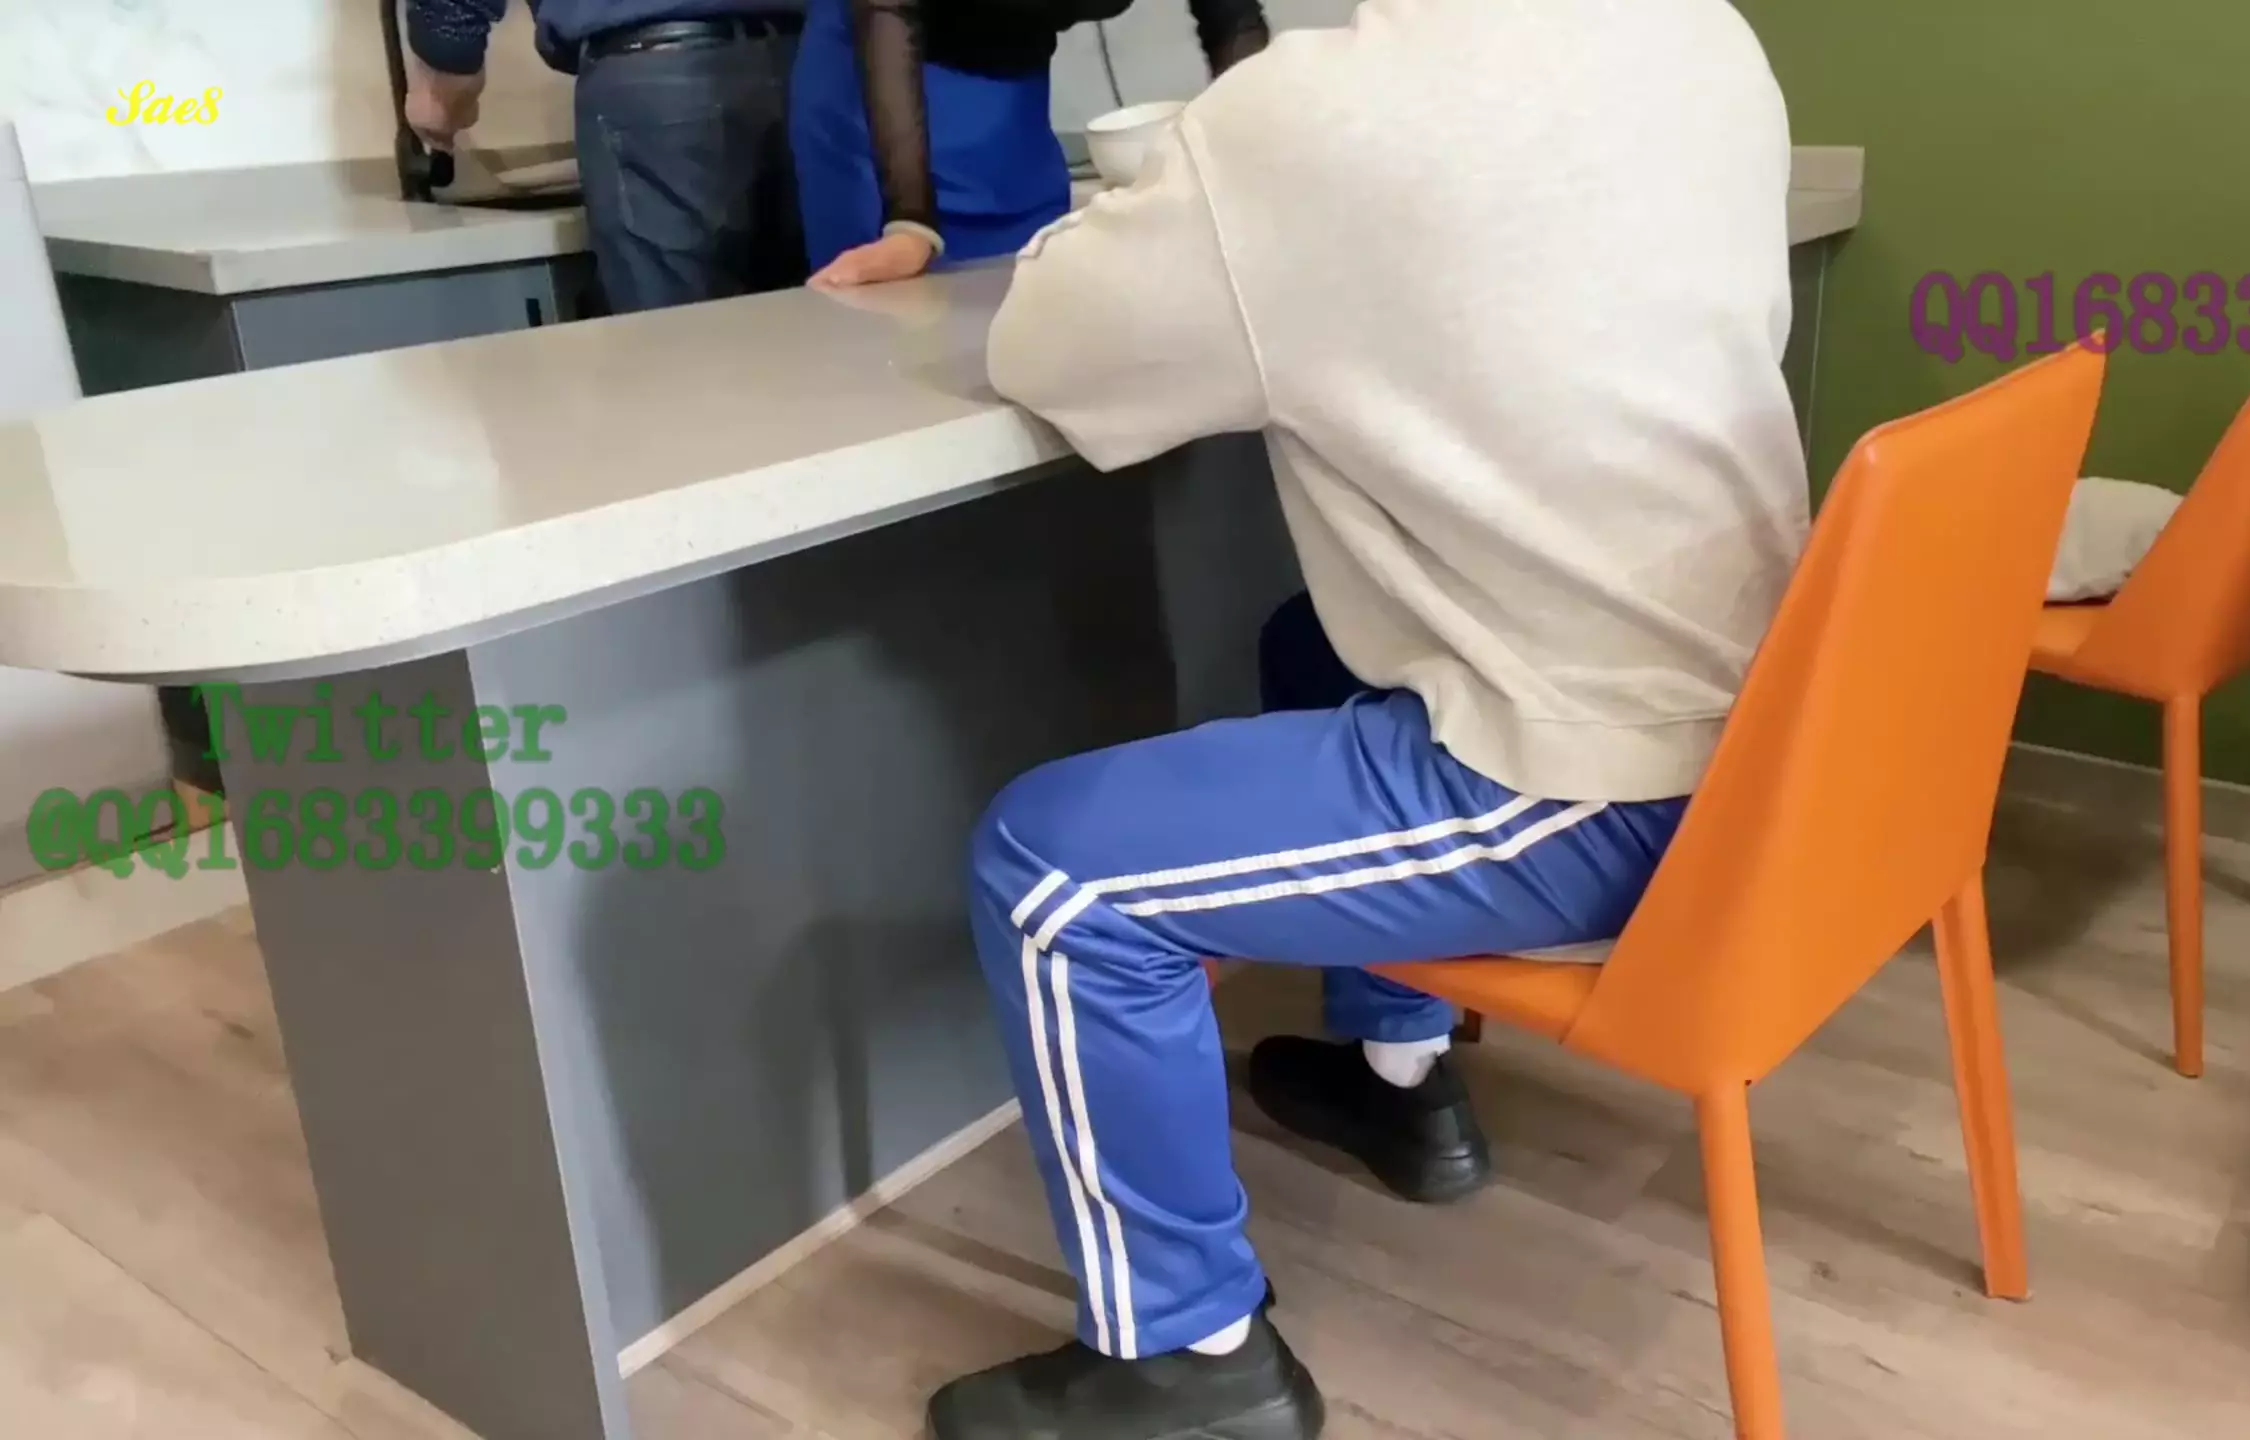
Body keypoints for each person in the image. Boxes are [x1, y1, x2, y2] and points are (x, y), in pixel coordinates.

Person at [933, 0, 1809, 1434]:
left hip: (1607, 787)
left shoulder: (1305, 120)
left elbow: (1047, 348)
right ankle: (1397, 1071)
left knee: (1053, 871)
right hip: (1782, 738)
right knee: (1312, 643)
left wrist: (1178, 186)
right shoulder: (1701, 33)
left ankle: (1189, 1359)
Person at [793, 0, 1271, 290]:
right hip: (884, 84)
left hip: (1015, 105)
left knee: (1027, 317)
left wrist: (1264, 160)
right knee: (894, 337)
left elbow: (1233, 19)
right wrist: (909, 222)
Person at [404, 0, 807, 312]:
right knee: (804, 350)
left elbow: (450, 22)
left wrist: (441, 83)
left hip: (659, 74)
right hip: (807, 61)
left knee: (678, 358)